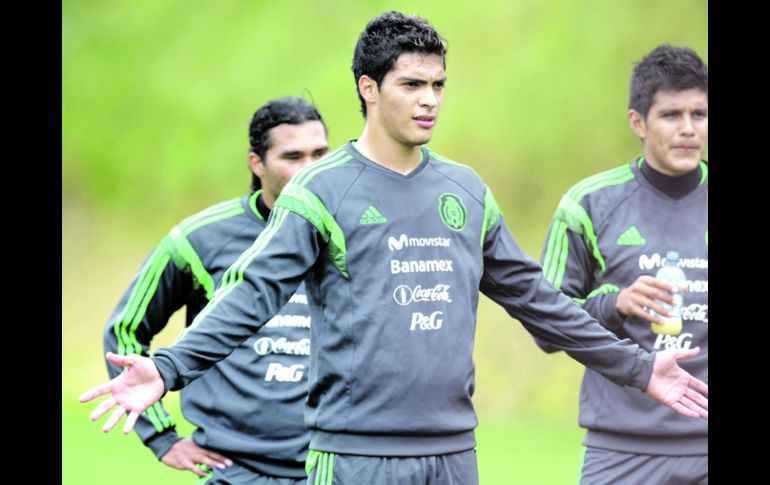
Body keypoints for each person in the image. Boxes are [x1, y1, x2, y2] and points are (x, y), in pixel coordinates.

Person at [82, 13, 707, 485]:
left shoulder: (465, 189)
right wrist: (168, 370)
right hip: (354, 457)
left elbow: (540, 301)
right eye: (412, 84)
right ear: (369, 88)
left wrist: (637, 365)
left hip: (455, 455)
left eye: (438, 83)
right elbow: (253, 295)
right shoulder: (322, 191)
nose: (430, 99)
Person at [102, 97, 329, 484]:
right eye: (293, 157)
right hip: (239, 472)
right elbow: (125, 332)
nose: (310, 170)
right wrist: (163, 437)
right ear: (257, 164)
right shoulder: (199, 238)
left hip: (336, 467)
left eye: (320, 154)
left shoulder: (350, 231)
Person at [538, 44, 708, 484]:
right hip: (621, 449)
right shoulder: (588, 205)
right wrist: (617, 304)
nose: (688, 129)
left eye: (699, 114)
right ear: (638, 122)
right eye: (671, 115)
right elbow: (545, 324)